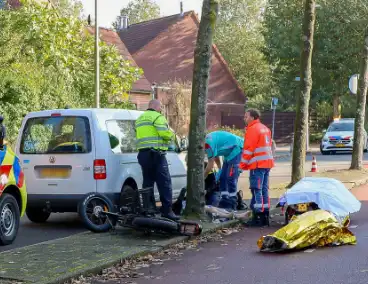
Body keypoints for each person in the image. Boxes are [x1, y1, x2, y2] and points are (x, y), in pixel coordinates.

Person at [135, 99, 179, 220]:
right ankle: (167, 211)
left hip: (143, 154)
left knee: (147, 183)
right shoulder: (157, 117)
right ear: (157, 107)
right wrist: (172, 135)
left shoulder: (140, 119)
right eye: (161, 108)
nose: (161, 110)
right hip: (156, 154)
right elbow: (164, 134)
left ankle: (149, 210)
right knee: (164, 183)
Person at [239, 109, 274, 227]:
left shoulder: (252, 129)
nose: (244, 118)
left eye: (246, 116)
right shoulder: (265, 128)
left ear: (253, 118)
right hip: (267, 163)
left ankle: (258, 217)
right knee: (264, 189)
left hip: (257, 164)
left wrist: (242, 165)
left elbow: (249, 149)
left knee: (256, 189)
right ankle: (265, 216)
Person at [204, 131, 244, 210]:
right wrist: (220, 169)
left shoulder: (207, 144)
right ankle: (224, 201)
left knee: (230, 178)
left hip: (236, 148)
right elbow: (215, 156)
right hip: (228, 153)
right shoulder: (207, 141)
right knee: (222, 178)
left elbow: (210, 164)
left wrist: (203, 177)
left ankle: (232, 204)